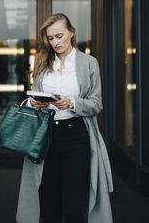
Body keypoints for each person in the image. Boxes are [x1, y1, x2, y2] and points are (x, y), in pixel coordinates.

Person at [16, 13, 113, 223]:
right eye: (51, 38)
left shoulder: (89, 63)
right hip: (47, 135)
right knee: (49, 204)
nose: (55, 42)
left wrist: (72, 103)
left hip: (76, 134)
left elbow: (97, 104)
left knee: (73, 205)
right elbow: (33, 96)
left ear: (71, 33)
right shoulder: (42, 63)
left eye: (59, 36)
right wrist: (36, 103)